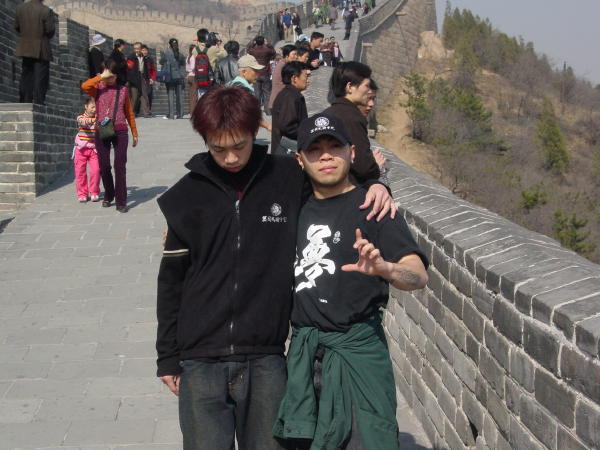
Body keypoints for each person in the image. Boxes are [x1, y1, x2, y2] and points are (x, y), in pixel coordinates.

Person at [155, 86, 395, 450]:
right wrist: (168, 358)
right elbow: (171, 284)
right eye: (218, 149)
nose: (230, 157)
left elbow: (336, 181)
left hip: (267, 354)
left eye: (239, 145)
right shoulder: (184, 197)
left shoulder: (286, 177)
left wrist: (377, 183)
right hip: (200, 358)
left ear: (255, 132)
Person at [273, 112, 429, 449]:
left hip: (357, 354)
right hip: (304, 356)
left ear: (352, 152)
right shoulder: (293, 208)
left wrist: (385, 269)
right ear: (300, 160)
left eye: (335, 147)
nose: (326, 156)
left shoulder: (373, 208)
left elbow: (417, 275)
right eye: (315, 150)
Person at [81, 59, 139, 213]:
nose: (110, 78)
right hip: (102, 130)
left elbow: (129, 113)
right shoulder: (97, 89)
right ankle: (109, 193)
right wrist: (101, 76)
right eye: (107, 75)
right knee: (104, 166)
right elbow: (85, 86)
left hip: (120, 131)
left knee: (120, 166)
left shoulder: (123, 90)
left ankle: (121, 201)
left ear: (117, 75)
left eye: (112, 75)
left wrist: (134, 132)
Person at [324, 62, 380, 185]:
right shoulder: (351, 118)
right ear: (350, 87)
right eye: (366, 86)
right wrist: (376, 166)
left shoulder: (328, 112)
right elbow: (363, 167)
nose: (368, 91)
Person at [14, 0, 55, 105]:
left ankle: (25, 100)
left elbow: (17, 27)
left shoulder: (20, 9)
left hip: (25, 47)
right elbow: (50, 31)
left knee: (26, 76)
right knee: (40, 77)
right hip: (41, 48)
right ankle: (39, 102)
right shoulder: (46, 11)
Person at [271, 62, 310, 155]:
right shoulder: (291, 97)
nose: (308, 80)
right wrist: (307, 132)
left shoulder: (288, 94)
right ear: (294, 78)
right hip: (287, 151)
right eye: (305, 76)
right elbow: (288, 126)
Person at [227, 55, 272, 132]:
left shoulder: (232, 84)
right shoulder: (241, 89)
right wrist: (267, 125)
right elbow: (245, 114)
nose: (258, 74)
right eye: (255, 71)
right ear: (244, 72)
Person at [72, 97, 100, 203]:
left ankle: (94, 192)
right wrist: (94, 120)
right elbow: (84, 122)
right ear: (86, 106)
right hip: (81, 149)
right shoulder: (80, 117)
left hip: (94, 149)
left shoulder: (98, 118)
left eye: (96, 107)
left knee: (96, 171)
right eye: (92, 107)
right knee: (80, 172)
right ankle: (82, 193)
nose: (94, 109)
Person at [247, 36, 276, 115]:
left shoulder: (253, 50)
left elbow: (248, 50)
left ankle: (257, 111)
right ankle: (268, 111)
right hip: (265, 73)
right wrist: (268, 44)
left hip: (256, 74)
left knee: (257, 94)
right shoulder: (267, 50)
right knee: (267, 93)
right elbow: (273, 52)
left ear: (256, 42)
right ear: (263, 42)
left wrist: (252, 44)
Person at [160, 38, 186, 120]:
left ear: (169, 45)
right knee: (179, 96)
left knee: (170, 96)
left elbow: (161, 62)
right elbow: (183, 63)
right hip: (179, 77)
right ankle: (180, 114)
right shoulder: (180, 54)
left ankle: (171, 115)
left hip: (170, 77)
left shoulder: (166, 53)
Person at [268, 44, 297, 112]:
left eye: (296, 54)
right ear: (287, 56)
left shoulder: (283, 64)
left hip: (279, 100)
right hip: (279, 102)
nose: (296, 57)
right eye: (294, 54)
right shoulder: (283, 67)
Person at [127, 42, 151, 117]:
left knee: (144, 95)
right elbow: (128, 69)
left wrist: (148, 78)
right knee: (134, 96)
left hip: (142, 77)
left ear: (141, 49)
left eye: (138, 49)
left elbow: (146, 69)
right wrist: (130, 79)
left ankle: (146, 112)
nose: (136, 50)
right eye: (135, 49)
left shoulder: (144, 57)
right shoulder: (131, 57)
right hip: (134, 78)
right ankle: (131, 113)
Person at [141, 45, 156, 113]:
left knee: (149, 94)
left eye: (145, 50)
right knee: (142, 95)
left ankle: (149, 110)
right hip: (141, 79)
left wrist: (152, 78)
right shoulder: (139, 58)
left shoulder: (150, 59)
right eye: (143, 50)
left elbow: (153, 70)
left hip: (149, 79)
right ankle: (143, 111)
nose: (144, 52)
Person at [185, 44, 198, 115]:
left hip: (189, 76)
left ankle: (191, 110)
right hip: (193, 76)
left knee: (190, 95)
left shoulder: (188, 57)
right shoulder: (193, 57)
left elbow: (186, 68)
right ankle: (193, 112)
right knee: (194, 95)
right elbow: (193, 67)